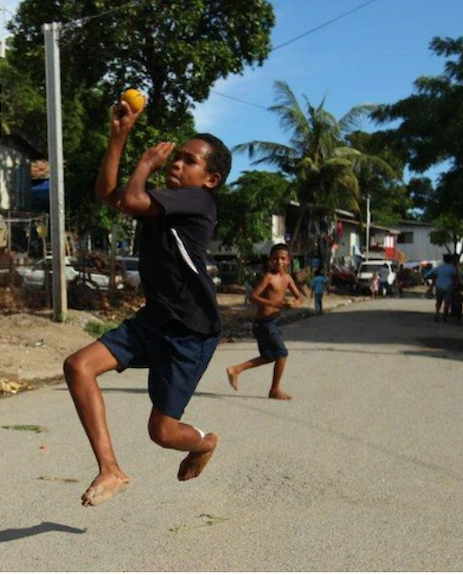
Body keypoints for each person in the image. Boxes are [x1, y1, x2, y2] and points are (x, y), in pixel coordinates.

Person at [62, 95, 231, 507]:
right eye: (178, 157)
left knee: (163, 433)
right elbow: (108, 194)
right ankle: (110, 469)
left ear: (210, 179)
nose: (177, 163)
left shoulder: (198, 203)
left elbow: (132, 198)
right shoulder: (164, 202)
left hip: (191, 332)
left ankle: (205, 443)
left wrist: (143, 165)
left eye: (189, 161)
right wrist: (119, 136)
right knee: (78, 366)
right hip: (154, 320)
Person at [225, 243, 306, 400]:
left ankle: (236, 369)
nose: (279, 262)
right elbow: (253, 297)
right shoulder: (269, 277)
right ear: (270, 261)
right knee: (282, 354)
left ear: (288, 260)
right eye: (276, 259)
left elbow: (299, 297)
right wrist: (274, 304)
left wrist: (295, 303)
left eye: (283, 258)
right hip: (263, 323)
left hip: (272, 322)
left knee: (269, 356)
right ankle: (274, 390)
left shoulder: (287, 279)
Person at [426, 254, 460, 322]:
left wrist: (431, 287)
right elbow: (455, 278)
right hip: (448, 286)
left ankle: (437, 314)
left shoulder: (439, 267)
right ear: (451, 260)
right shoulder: (452, 268)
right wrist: (455, 286)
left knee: (439, 301)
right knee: (447, 302)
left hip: (439, 286)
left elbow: (434, 278)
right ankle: (445, 316)